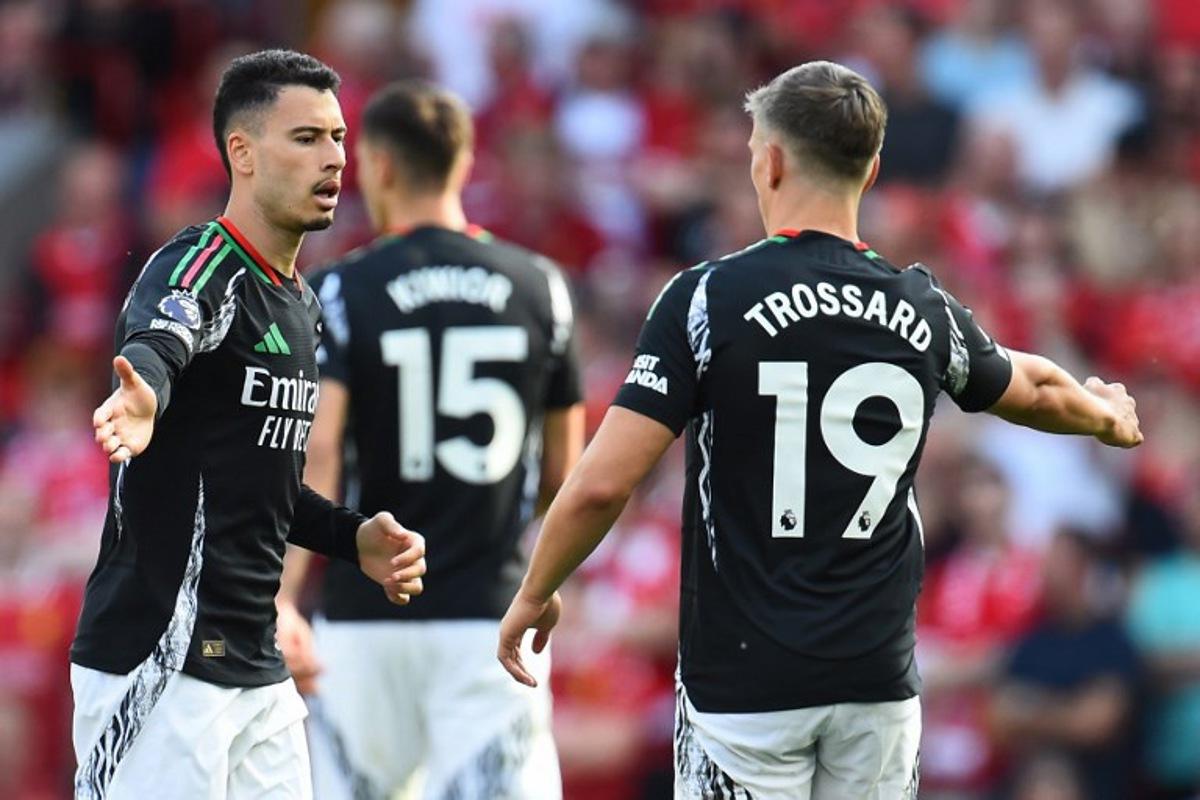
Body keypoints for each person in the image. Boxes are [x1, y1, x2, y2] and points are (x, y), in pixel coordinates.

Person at [497, 60, 1143, 799]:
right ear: (870, 172)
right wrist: (1104, 413)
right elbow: (1028, 386)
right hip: (876, 682)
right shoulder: (920, 307)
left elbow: (604, 483)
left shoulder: (707, 299)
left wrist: (535, 589)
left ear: (770, 161)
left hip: (746, 687)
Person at [71, 49, 426, 800]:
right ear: (244, 152)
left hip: (256, 668)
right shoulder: (201, 263)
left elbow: (263, 480)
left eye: (337, 137)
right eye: (306, 138)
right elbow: (164, 337)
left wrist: (349, 536)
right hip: (161, 663)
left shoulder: (298, 302)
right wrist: (143, 395)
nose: (334, 157)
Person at [275, 80, 584, 799]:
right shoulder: (541, 287)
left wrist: (284, 597)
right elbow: (565, 473)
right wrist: (544, 580)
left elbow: (318, 452)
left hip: (365, 616)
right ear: (465, 162)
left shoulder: (343, 289)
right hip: (491, 615)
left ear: (376, 163)